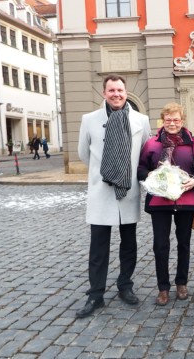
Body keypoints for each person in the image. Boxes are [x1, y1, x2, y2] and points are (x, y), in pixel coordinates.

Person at [76, 74, 151, 318]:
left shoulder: (141, 120)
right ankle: (96, 294)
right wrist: (106, 171)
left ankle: (124, 285)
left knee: (129, 243)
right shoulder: (90, 120)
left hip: (128, 191)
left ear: (126, 92)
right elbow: (83, 154)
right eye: (111, 90)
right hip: (101, 191)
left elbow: (146, 152)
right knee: (98, 247)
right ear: (104, 93)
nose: (116, 94)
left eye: (120, 90)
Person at [137, 103, 194, 306]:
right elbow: (141, 167)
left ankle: (182, 283)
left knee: (183, 244)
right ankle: (163, 288)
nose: (172, 123)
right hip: (160, 201)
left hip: (186, 200)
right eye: (168, 120)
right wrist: (149, 175)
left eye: (176, 120)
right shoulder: (152, 144)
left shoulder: (193, 143)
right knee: (161, 245)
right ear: (163, 121)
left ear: (182, 121)